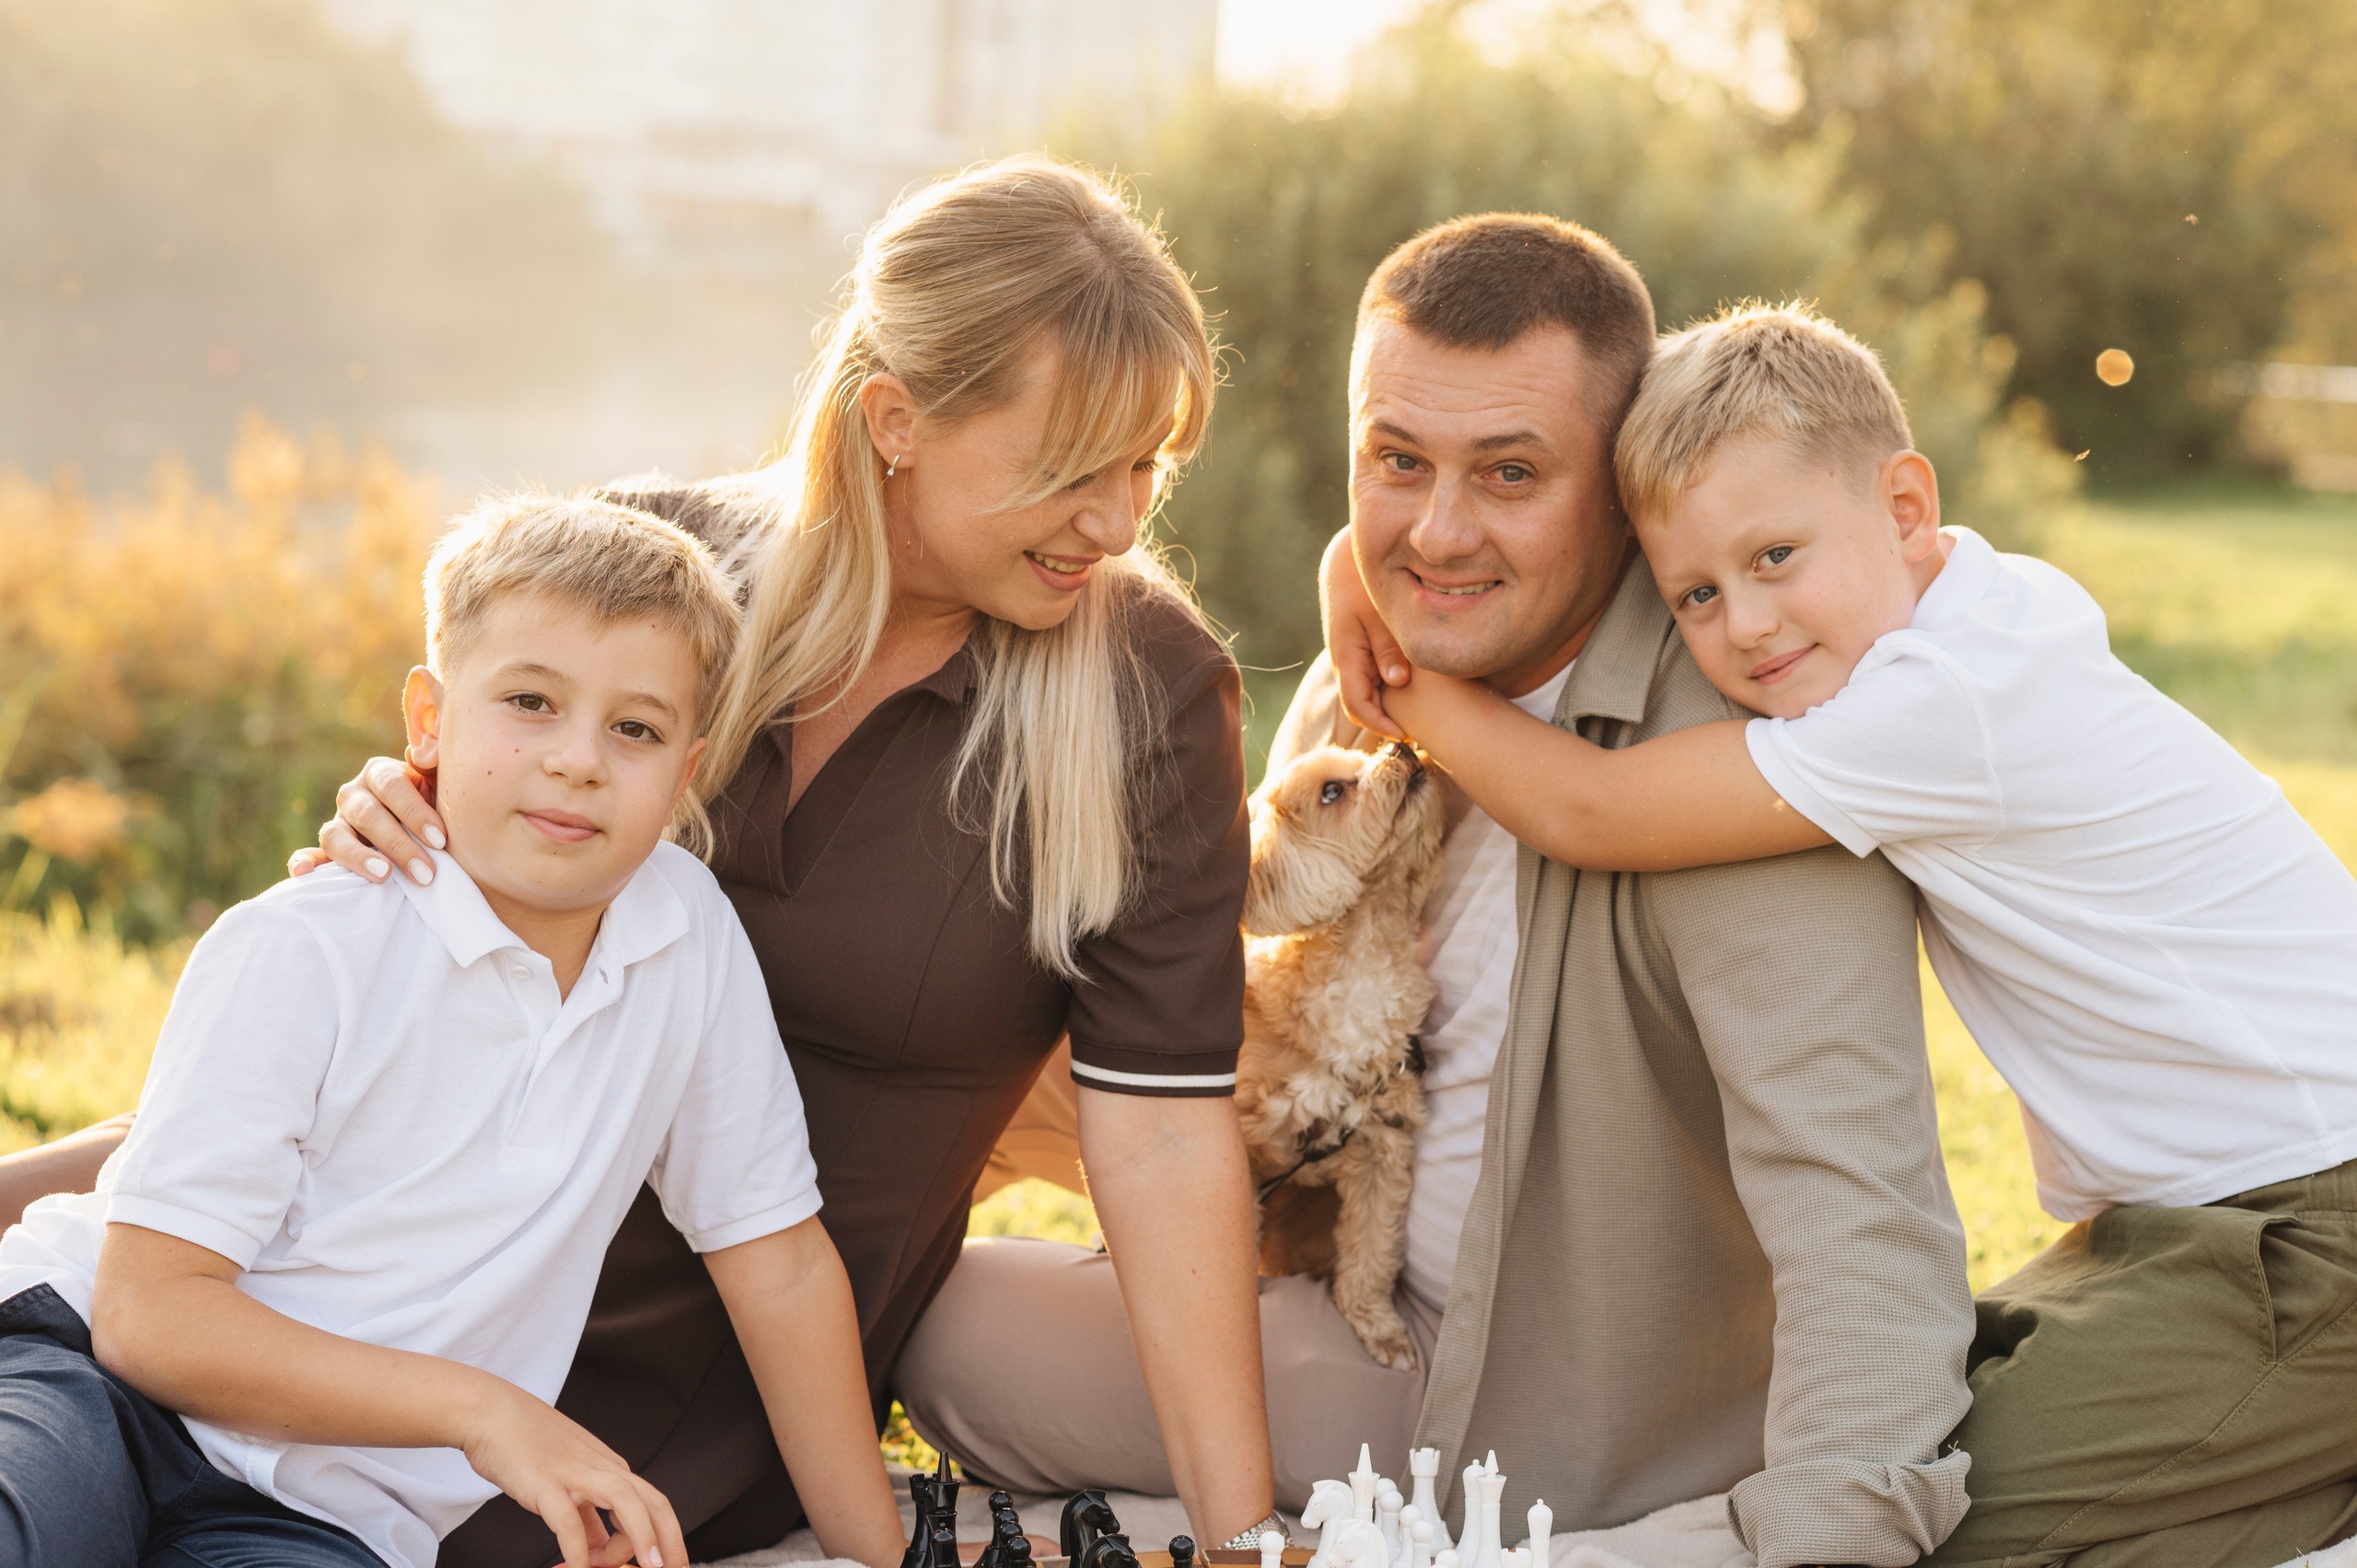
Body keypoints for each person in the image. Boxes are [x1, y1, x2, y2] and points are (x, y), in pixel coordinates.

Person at [0, 156, 1284, 1563]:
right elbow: (404, 916)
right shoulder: (655, 572)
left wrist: (1239, 1533)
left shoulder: (1139, 690)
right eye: (1067, 466)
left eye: (1147, 463)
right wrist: (400, 800)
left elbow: (1161, 1125)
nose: (1118, 519)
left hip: (653, 1397)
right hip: (340, 1282)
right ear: (895, 421)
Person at [899, 216, 1976, 1568]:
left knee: (960, 1341)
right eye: (1398, 462)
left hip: (1537, 1415)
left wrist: (1835, 1530)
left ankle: (1289, 1529)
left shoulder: (1732, 763)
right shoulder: (1382, 686)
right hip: (1349, 1299)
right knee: (946, 1317)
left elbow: (1858, 1196)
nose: (1439, 530)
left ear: (1623, 492)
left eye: (1512, 473)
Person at [1324, 300, 2357, 1567]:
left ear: (1907, 508)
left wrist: (1395, 651)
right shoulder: (1980, 609)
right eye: (1695, 592)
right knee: (1947, 1430)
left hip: (2313, 1221)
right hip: (2190, 1226)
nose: (1745, 626)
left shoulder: (1942, 707)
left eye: (1776, 557)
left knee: (1929, 1511)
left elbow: (1586, 805)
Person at [0, 496, 906, 1568]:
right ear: (428, 719)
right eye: (530, 700)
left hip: (330, 1504)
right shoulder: (307, 943)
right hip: (83, 1378)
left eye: (636, 728)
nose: (578, 759)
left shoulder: (688, 938)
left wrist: (881, 1555)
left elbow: (780, 1263)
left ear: (688, 768)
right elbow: (148, 1317)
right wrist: (486, 1410)